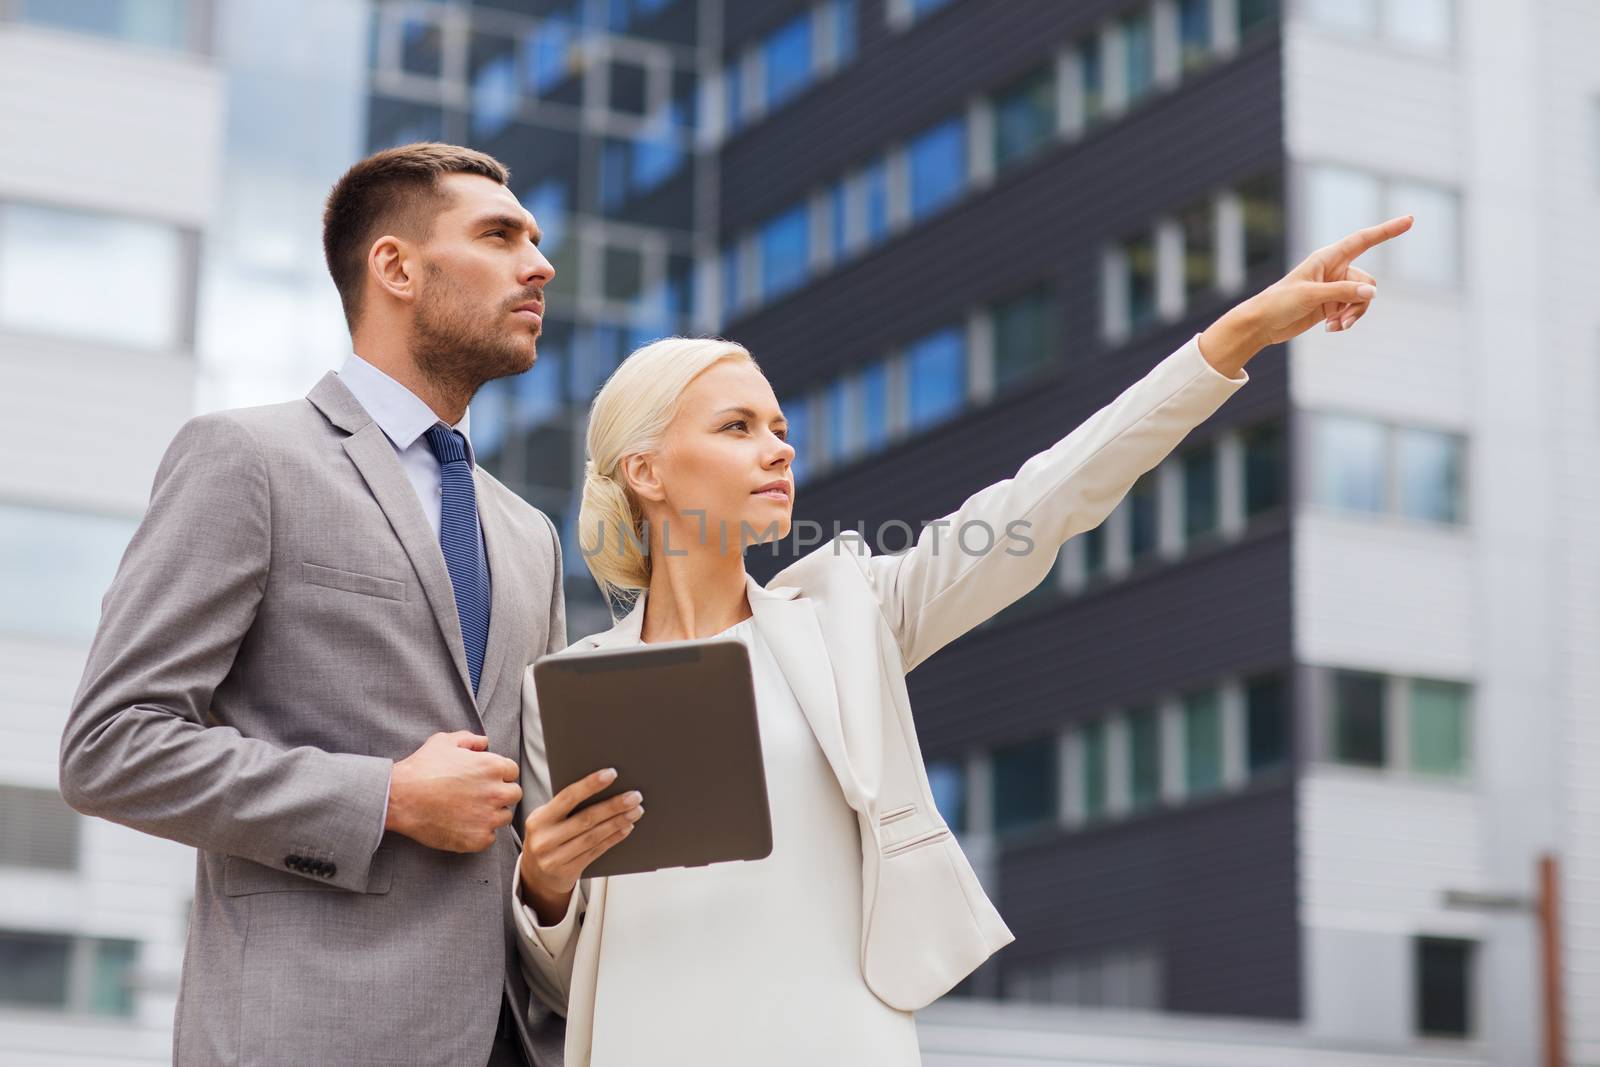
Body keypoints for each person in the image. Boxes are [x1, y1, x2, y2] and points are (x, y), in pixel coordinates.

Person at [507, 215, 1413, 1065]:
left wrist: (1242, 331)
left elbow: (1051, 495)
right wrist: (543, 883)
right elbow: (562, 975)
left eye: (780, 427)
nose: (780, 448)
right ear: (646, 470)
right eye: (738, 427)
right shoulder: (573, 688)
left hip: (830, 1034)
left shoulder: (847, 615)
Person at [59, 143, 567, 1066]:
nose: (540, 264)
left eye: (535, 240)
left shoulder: (528, 532)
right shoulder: (248, 460)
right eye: (500, 235)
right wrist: (384, 796)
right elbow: (110, 747)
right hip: (308, 1034)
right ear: (396, 267)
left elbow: (532, 800)